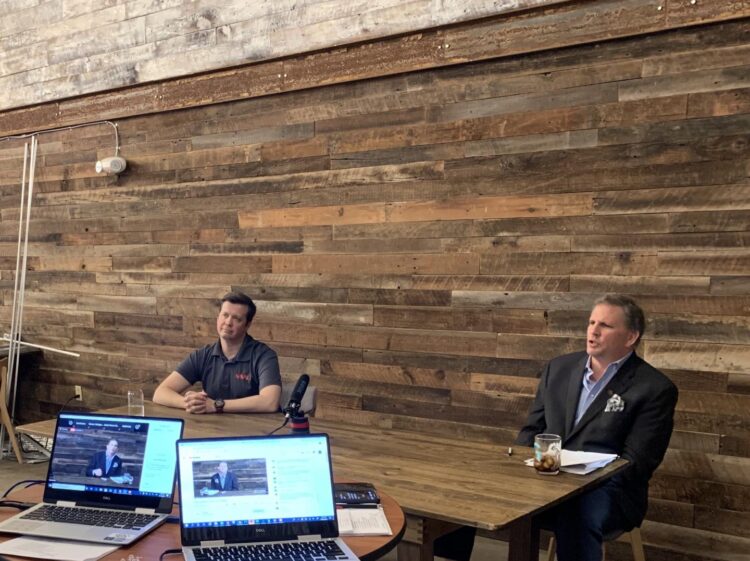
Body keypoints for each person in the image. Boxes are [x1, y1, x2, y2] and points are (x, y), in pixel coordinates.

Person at [516, 293, 678, 561]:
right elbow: (531, 431)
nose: (593, 331)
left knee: (575, 512)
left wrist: (578, 481)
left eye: (606, 325)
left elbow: (637, 463)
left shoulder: (654, 388)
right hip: (547, 479)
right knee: (471, 490)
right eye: (592, 322)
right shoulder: (558, 369)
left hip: (608, 491)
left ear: (630, 337)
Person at [153, 291, 282, 414]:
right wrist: (192, 404)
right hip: (212, 427)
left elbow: (270, 402)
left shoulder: (264, 356)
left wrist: (216, 405)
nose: (228, 322)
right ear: (218, 317)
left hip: (254, 428)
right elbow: (160, 393)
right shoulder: (203, 355)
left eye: (237, 318)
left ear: (247, 325)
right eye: (225, 315)